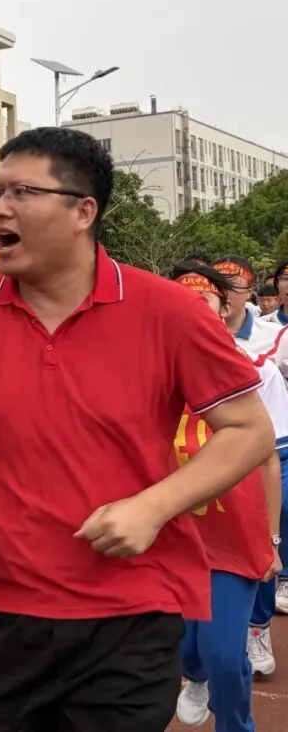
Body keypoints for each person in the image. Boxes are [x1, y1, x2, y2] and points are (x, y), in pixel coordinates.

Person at [0, 128, 274, 732]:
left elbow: (247, 429)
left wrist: (152, 507)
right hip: (0, 612)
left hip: (131, 611)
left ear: (84, 211)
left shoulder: (170, 312)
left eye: (22, 192)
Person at [166, 262, 286, 731]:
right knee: (187, 648)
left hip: (234, 535)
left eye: (205, 301)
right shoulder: (146, 372)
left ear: (223, 309)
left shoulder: (257, 371)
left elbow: (269, 458)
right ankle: (192, 676)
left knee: (223, 650)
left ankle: (235, 724)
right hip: (173, 533)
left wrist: (272, 540)